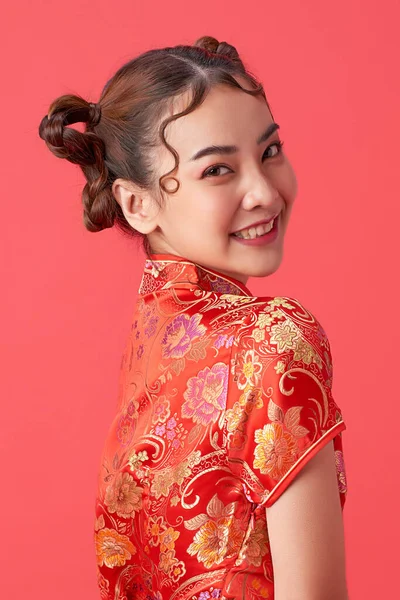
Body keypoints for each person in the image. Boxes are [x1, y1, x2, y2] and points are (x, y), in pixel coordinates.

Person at [39, 35, 349, 600]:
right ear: (137, 204)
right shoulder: (275, 339)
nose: (263, 192)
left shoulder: (150, 350)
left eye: (270, 151)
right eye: (217, 171)